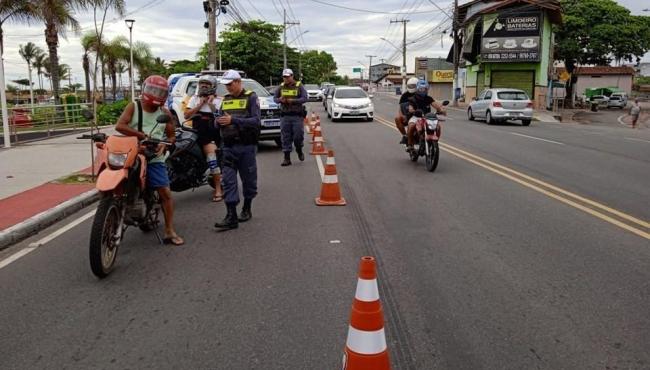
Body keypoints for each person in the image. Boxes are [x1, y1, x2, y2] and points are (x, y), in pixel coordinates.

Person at [115, 75, 184, 246]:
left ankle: (169, 230)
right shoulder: (134, 107)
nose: (156, 94)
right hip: (132, 152)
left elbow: (172, 135)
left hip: (154, 157)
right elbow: (120, 126)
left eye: (160, 92)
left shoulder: (165, 113)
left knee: (166, 194)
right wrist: (141, 136)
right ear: (145, 88)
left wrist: (164, 146)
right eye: (153, 90)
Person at [214, 70, 261, 230]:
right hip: (228, 146)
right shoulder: (225, 100)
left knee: (248, 180)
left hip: (246, 146)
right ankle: (231, 216)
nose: (227, 87)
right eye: (226, 85)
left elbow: (256, 121)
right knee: (228, 181)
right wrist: (218, 121)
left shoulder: (251, 97)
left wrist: (233, 120)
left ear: (238, 82)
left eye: (230, 84)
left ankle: (247, 208)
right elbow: (219, 118)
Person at [184, 75, 224, 202]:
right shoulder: (194, 99)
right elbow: (186, 115)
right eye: (202, 83)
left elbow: (219, 117)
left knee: (212, 159)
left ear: (213, 86)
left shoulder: (219, 100)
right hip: (195, 133)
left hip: (211, 135)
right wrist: (200, 104)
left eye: (207, 84)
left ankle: (218, 189)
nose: (204, 86)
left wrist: (210, 103)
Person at [273, 68, 308, 166]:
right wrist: (280, 100)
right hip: (285, 116)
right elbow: (274, 98)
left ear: (292, 76)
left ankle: (299, 149)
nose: (286, 79)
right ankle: (287, 158)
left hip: (297, 116)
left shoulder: (299, 86)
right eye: (284, 77)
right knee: (285, 137)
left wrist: (293, 101)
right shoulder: (281, 87)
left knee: (298, 136)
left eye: (288, 77)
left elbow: (305, 98)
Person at [405, 79, 445, 151]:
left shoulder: (428, 98)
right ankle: (410, 144)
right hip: (416, 117)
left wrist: (441, 110)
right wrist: (413, 111)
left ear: (427, 89)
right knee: (411, 126)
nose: (423, 90)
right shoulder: (413, 98)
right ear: (418, 89)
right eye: (421, 89)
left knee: (438, 126)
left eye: (425, 89)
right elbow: (410, 108)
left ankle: (434, 142)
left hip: (427, 117)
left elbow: (436, 105)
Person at [395, 77, 419, 144]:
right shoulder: (405, 95)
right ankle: (405, 136)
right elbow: (400, 107)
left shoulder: (421, 94)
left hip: (419, 116)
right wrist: (402, 115)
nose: (411, 87)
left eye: (413, 85)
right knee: (397, 118)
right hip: (407, 116)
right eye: (410, 85)